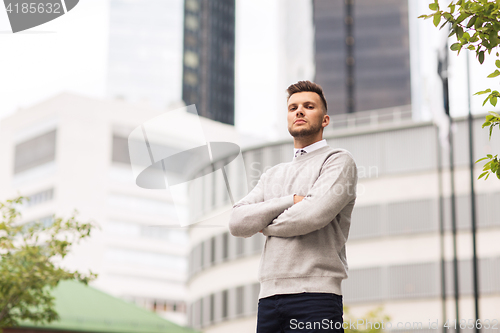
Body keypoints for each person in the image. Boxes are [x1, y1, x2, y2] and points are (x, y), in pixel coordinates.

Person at [228, 80, 358, 333]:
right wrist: (290, 200)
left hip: (316, 296)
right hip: (268, 299)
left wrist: (265, 225)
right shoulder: (272, 174)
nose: (299, 111)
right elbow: (237, 222)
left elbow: (311, 215)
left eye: (309, 106)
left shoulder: (337, 161)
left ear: (325, 119)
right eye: (293, 107)